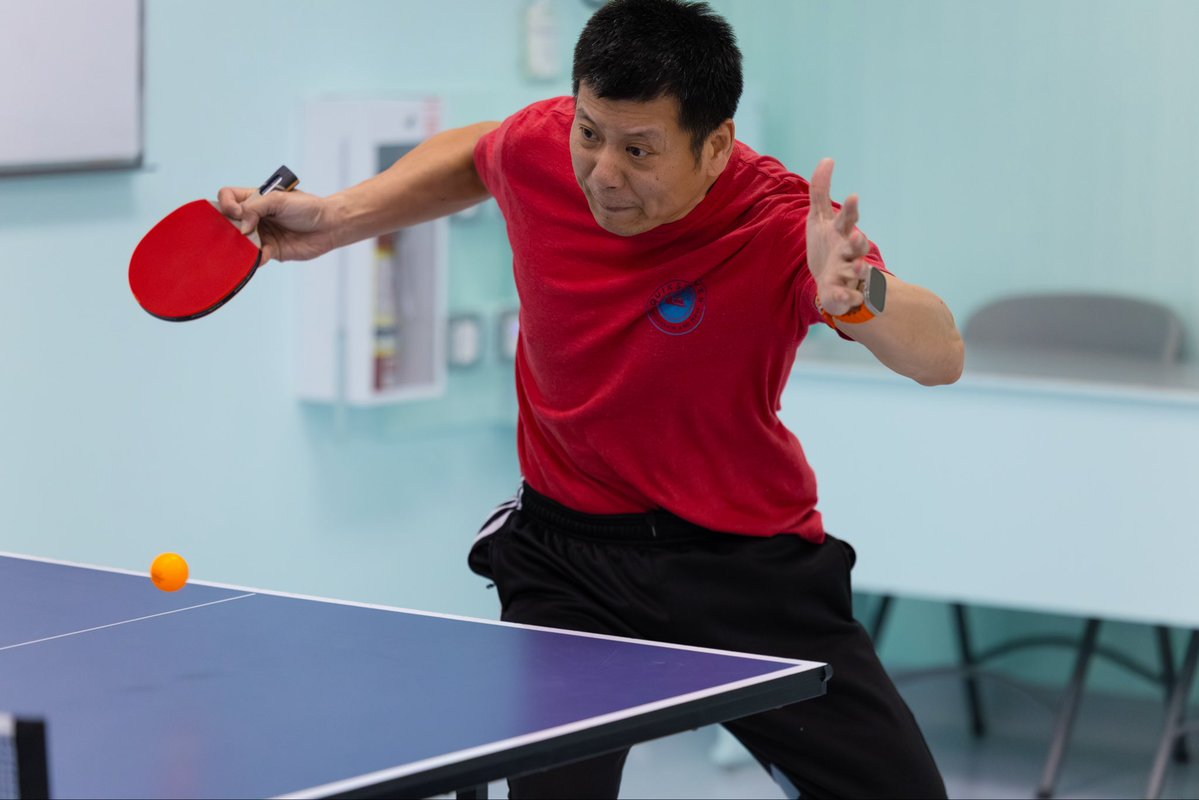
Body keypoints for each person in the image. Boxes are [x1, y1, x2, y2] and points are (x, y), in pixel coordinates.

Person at [220, 1, 963, 796]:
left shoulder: (779, 226)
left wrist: (858, 298)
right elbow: (481, 150)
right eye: (590, 134)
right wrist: (334, 218)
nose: (603, 172)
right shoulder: (548, 147)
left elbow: (940, 354)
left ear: (715, 146)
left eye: (639, 149)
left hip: (744, 566)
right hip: (566, 560)